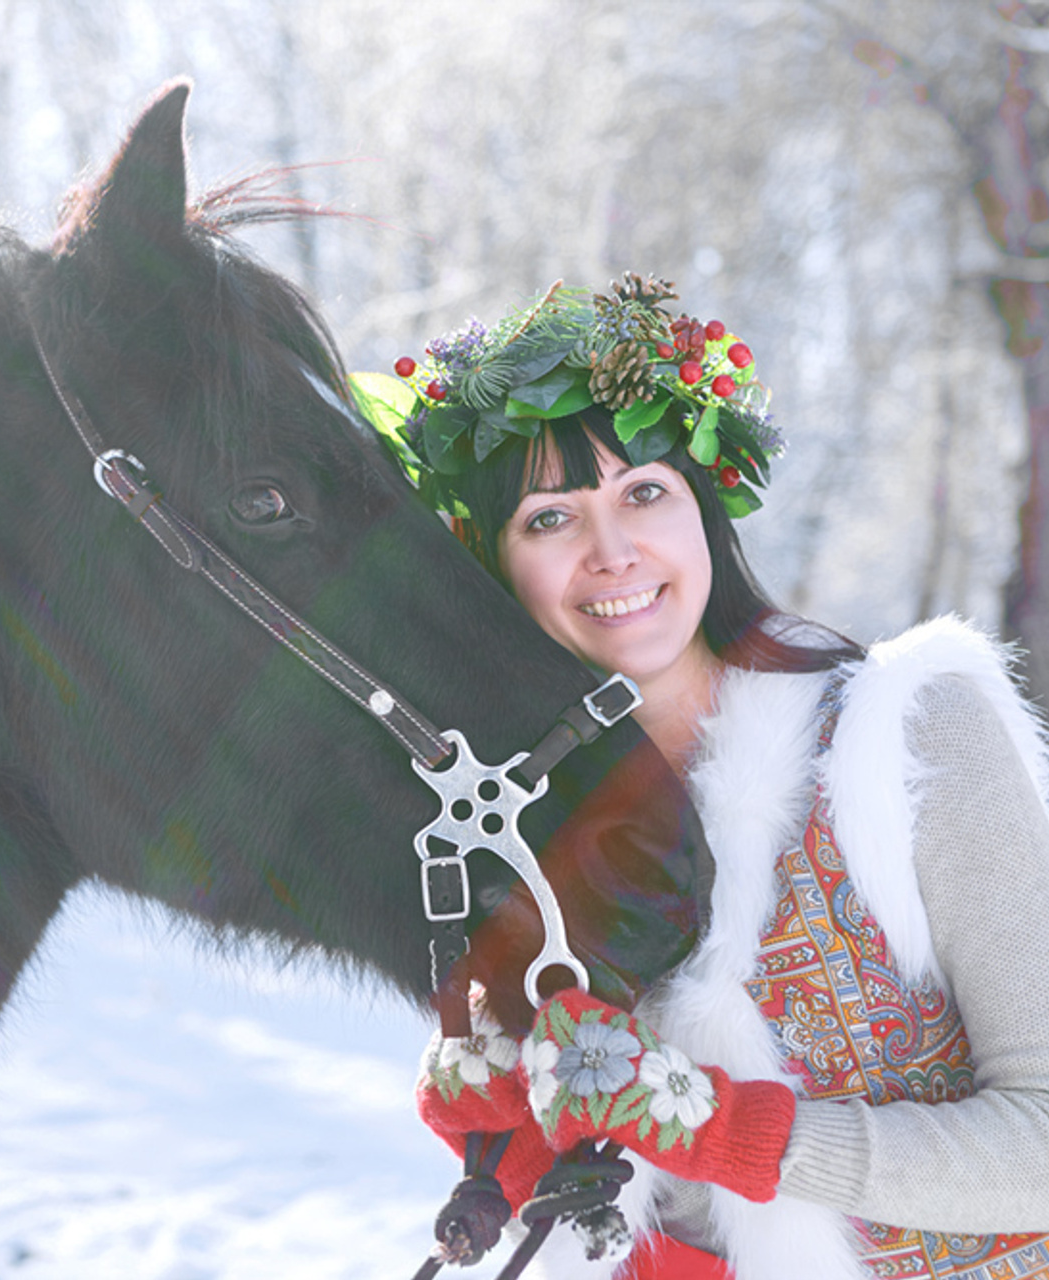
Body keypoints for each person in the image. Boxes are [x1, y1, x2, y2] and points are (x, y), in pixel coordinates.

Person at [352, 276, 1049, 1280]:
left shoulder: (911, 731)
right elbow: (654, 1210)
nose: (611, 551)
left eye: (643, 492)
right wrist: (507, 1145)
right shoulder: (528, 842)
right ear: (493, 566)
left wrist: (726, 1126)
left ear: (705, 512)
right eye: (549, 518)